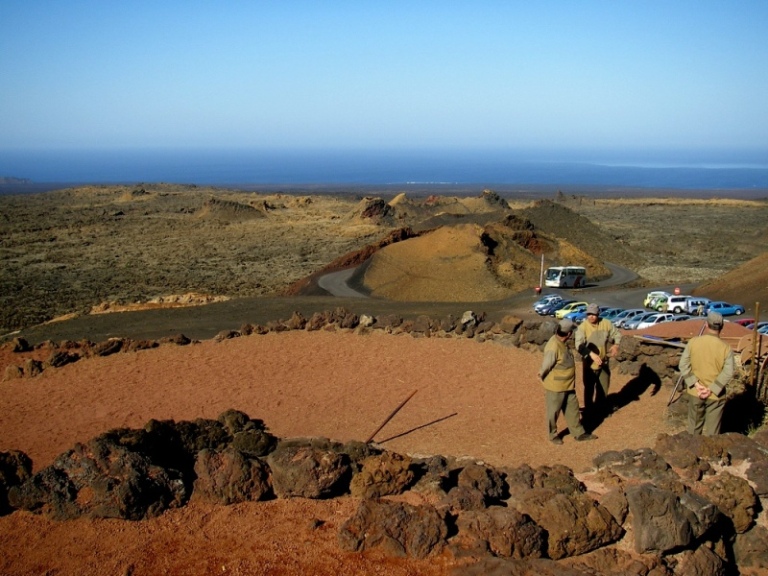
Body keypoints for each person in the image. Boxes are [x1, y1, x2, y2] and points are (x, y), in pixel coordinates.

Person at [539, 318, 597, 444]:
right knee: (553, 412)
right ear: (569, 334)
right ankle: (553, 435)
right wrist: (541, 375)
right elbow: (546, 365)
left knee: (573, 409)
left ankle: (578, 433)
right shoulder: (553, 346)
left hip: (568, 385)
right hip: (556, 387)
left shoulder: (561, 343)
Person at [678, 311, 735, 436]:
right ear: (721, 327)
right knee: (713, 434)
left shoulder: (693, 342)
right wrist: (711, 389)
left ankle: (693, 453)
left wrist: (696, 385)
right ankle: (711, 454)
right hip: (716, 395)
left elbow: (683, 365)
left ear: (706, 325)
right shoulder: (726, 348)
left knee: (693, 430)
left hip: (695, 392)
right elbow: (729, 371)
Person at [575, 303, 622, 422]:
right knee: (589, 388)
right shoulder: (583, 327)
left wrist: (616, 345)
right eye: (589, 314)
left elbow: (617, 334)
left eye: (593, 314)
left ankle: (600, 410)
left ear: (598, 314)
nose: (591, 317)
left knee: (603, 389)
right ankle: (589, 412)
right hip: (589, 365)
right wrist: (590, 354)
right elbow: (578, 345)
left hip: (604, 363)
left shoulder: (606, 323)